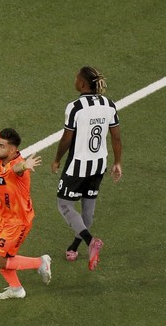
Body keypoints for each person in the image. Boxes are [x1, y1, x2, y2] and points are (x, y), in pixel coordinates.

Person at [0, 86, 52, 300]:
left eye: (2, 146)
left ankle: (40, 262)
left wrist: (25, 164)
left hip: (18, 220)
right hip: (2, 213)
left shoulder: (17, 165)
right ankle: (16, 289)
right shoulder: (2, 153)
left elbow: (16, 169)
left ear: (13, 150)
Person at [50, 66, 123, 270]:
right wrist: (117, 162)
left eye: (76, 78)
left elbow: (67, 138)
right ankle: (74, 247)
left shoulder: (75, 107)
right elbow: (116, 137)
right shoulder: (109, 105)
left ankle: (91, 241)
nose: (74, 80)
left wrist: (56, 158)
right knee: (87, 210)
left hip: (78, 166)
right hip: (99, 165)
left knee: (64, 204)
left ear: (82, 84)